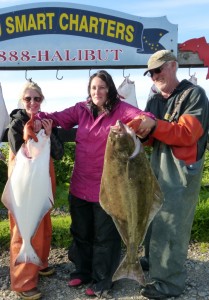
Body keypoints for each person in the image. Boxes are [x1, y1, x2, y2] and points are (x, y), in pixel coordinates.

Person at [35, 70, 156, 298]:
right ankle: (82, 270)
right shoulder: (81, 109)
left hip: (108, 188)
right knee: (81, 232)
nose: (97, 92)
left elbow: (143, 116)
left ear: (109, 88)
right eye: (93, 88)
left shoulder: (121, 109)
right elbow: (56, 117)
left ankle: (103, 279)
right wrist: (35, 120)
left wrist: (137, 123)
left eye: (101, 87)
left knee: (104, 236)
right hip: (80, 184)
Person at [128, 50, 209, 299]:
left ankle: (170, 283)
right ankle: (154, 261)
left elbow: (187, 134)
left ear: (173, 66)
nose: (154, 76)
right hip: (157, 164)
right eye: (151, 73)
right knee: (153, 217)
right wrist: (140, 132)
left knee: (172, 223)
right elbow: (151, 139)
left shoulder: (194, 94)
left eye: (158, 70)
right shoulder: (154, 99)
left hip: (181, 169)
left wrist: (154, 125)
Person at [7, 80, 64, 300]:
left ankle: (39, 262)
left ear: (42, 100)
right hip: (24, 186)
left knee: (44, 225)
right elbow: (15, 147)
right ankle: (23, 282)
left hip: (42, 181)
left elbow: (57, 154)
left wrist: (49, 134)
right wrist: (27, 132)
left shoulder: (47, 121)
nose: (33, 102)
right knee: (24, 231)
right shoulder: (16, 122)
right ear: (23, 100)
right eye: (28, 98)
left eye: (37, 98)